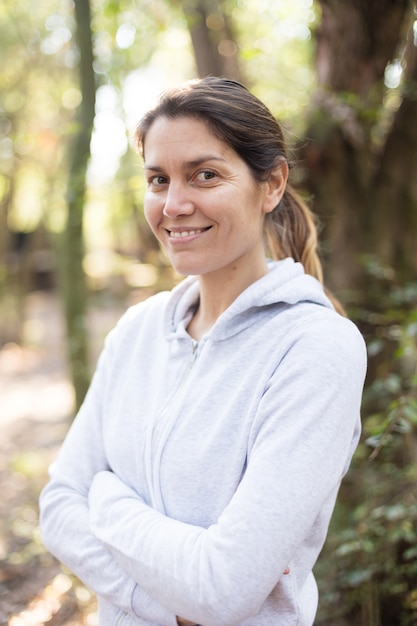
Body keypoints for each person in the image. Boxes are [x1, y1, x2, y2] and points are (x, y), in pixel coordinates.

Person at [39, 76, 367, 626]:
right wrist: (162, 607)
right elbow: (57, 508)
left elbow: (222, 589)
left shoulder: (316, 348)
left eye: (205, 175)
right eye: (158, 179)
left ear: (272, 185)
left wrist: (107, 500)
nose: (174, 204)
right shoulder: (138, 330)